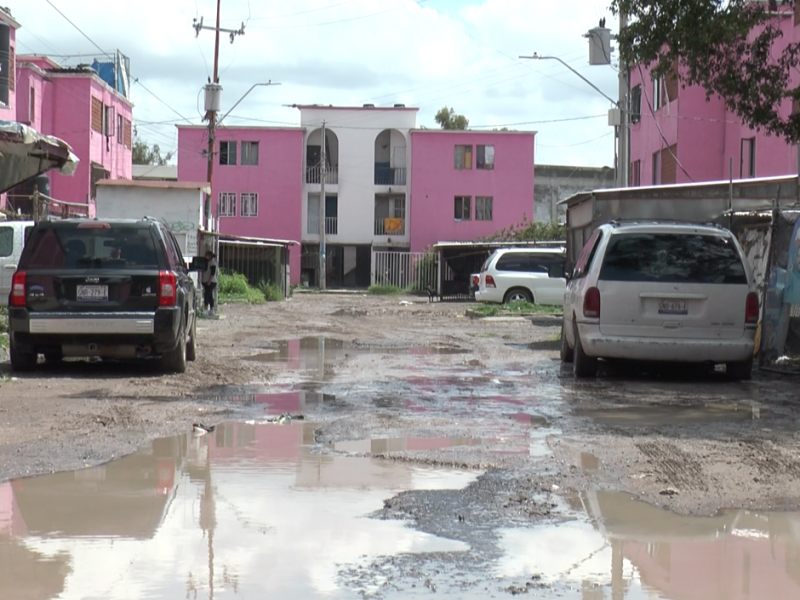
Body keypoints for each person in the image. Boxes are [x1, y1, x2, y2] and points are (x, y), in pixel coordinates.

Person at [201, 250, 218, 316]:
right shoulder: (206, 262)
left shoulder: (212, 263)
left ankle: (206, 308)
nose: (207, 256)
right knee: (210, 295)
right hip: (205, 281)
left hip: (211, 282)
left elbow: (213, 273)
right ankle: (211, 309)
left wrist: (209, 281)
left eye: (208, 255)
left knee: (206, 294)